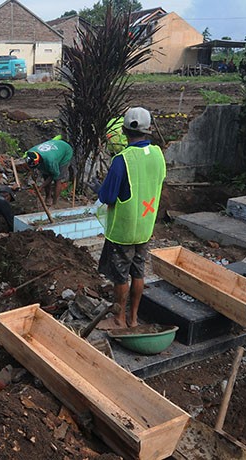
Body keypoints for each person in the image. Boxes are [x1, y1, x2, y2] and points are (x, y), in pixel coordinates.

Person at [94, 107, 165, 328]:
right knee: (138, 271)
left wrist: (97, 187)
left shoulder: (121, 160)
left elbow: (107, 196)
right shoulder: (157, 155)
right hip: (145, 227)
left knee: (120, 276)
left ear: (124, 131)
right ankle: (134, 318)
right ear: (149, 129)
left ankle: (119, 317)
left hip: (123, 231)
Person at [25, 138, 74, 206]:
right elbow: (32, 168)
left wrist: (41, 187)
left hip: (65, 151)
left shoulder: (50, 161)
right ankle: (48, 198)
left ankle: (54, 202)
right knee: (45, 177)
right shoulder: (30, 153)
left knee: (57, 179)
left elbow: (53, 175)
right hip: (54, 149)